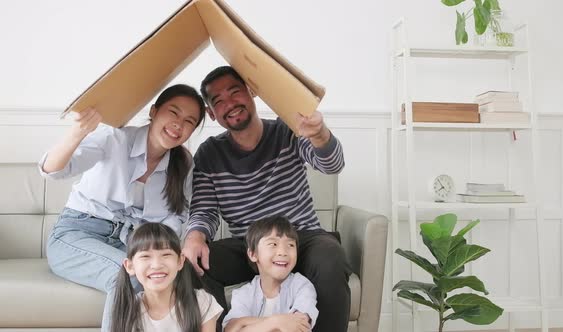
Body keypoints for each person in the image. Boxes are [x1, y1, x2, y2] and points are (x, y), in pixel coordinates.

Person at [182, 66, 351, 332]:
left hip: (300, 237)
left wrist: (319, 134)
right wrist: (194, 237)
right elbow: (204, 208)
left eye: (235, 92)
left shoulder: (287, 131)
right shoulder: (209, 153)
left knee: (331, 256)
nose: (231, 104)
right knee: (193, 265)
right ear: (212, 114)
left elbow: (332, 165)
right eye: (219, 101)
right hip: (249, 246)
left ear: (251, 91)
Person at [40, 84, 206, 331]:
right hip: (77, 234)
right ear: (154, 111)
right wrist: (78, 131)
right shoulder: (113, 138)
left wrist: (162, 252)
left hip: (132, 243)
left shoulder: (183, 163)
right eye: (173, 112)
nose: (178, 124)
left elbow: (178, 215)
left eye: (189, 121)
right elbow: (52, 170)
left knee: (177, 280)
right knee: (126, 277)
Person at [111, 222, 222, 332]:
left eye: (166, 255)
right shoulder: (129, 310)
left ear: (180, 261)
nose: (156, 265)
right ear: (130, 266)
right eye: (145, 256)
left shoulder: (201, 301)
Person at [223, 216, 317, 332]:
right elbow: (231, 328)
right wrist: (276, 321)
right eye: (273, 244)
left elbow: (299, 325)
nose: (283, 252)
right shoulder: (243, 294)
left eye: (290, 245)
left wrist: (245, 324)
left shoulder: (302, 286)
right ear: (253, 254)